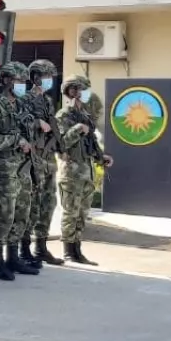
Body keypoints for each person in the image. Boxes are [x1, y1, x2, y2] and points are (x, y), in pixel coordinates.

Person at [0, 62, 41, 279]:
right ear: (6, 80)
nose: (22, 85)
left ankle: (13, 258)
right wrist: (17, 140)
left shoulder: (20, 106)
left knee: (21, 213)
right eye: (18, 80)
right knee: (4, 215)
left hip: (23, 167)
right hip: (5, 168)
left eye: (24, 81)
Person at [56, 75, 112, 266]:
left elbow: (91, 142)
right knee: (70, 212)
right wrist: (77, 129)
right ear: (73, 91)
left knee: (82, 213)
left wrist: (101, 157)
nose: (87, 93)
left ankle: (77, 250)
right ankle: (68, 251)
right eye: (83, 89)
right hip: (71, 173)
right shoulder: (63, 115)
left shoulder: (84, 115)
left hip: (86, 171)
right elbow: (61, 143)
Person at [20, 60, 64, 266]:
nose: (50, 80)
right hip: (32, 158)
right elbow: (17, 121)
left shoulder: (47, 101)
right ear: (36, 77)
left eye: (51, 77)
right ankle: (24, 249)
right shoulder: (25, 99)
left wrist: (61, 147)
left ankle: (41, 247)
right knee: (31, 204)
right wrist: (37, 122)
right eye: (47, 76)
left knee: (48, 203)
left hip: (47, 158)